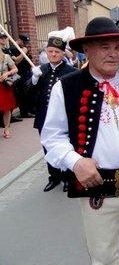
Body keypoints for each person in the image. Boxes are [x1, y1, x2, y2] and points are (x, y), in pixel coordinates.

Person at [41, 17, 119, 265]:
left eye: (117, 47)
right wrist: (75, 162)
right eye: (104, 47)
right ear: (86, 49)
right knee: (103, 256)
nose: (113, 54)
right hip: (97, 187)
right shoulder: (67, 87)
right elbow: (52, 136)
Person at [30, 36, 78, 192]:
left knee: (68, 145)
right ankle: (54, 177)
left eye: (57, 51)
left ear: (63, 53)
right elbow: (27, 94)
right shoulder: (41, 70)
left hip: (66, 116)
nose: (53, 54)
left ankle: (68, 177)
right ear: (46, 52)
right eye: (50, 51)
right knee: (48, 146)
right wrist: (34, 79)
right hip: (44, 116)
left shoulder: (71, 72)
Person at [0, 31, 19, 139]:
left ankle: (7, 128)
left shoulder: (6, 56)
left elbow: (15, 69)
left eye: (4, 38)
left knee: (6, 108)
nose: (4, 40)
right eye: (2, 38)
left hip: (4, 86)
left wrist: (7, 73)